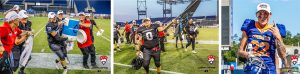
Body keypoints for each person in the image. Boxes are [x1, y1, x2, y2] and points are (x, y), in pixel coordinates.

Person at [237, 3, 289, 74]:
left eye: (265, 14)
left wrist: (278, 37)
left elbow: (282, 55)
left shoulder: (275, 29)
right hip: (253, 65)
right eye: (260, 14)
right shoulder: (249, 26)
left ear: (270, 15)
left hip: (269, 68)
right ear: (256, 15)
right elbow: (240, 51)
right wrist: (248, 55)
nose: (262, 16)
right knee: (254, 70)